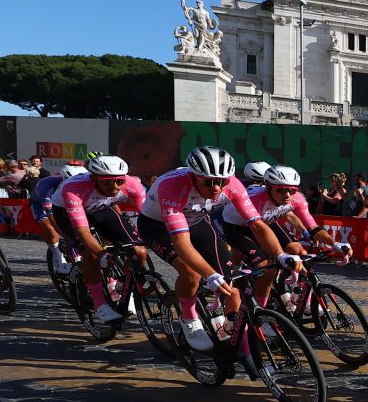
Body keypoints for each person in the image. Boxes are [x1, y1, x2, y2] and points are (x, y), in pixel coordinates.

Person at [137, 147, 300, 351]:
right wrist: (210, 274)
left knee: (231, 284)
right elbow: (182, 243)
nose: (216, 187)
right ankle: (189, 318)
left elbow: (258, 225)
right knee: (191, 274)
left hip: (197, 222)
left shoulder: (233, 185)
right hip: (157, 226)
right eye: (208, 181)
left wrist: (280, 255)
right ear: (193, 176)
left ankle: (231, 330)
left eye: (221, 181)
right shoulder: (171, 186)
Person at [220, 164, 351, 309]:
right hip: (238, 228)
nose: (287, 194)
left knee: (301, 252)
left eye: (292, 190)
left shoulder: (296, 198)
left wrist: (335, 244)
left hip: (266, 223)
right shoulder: (255, 199)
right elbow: (258, 229)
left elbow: (314, 228)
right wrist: (280, 255)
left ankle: (297, 294)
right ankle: (259, 312)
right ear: (268, 187)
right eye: (281, 190)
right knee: (268, 268)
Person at [51, 155, 148, 325]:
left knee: (139, 251)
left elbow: (148, 216)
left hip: (101, 207)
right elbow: (83, 231)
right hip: (66, 213)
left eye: (119, 181)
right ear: (94, 178)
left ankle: (122, 286)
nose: (115, 186)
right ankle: (100, 304)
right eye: (108, 182)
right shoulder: (73, 188)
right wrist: (102, 254)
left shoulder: (132, 184)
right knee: (92, 255)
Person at [30, 162, 88, 273]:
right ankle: (58, 258)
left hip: (62, 202)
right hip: (39, 204)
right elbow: (52, 217)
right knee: (51, 230)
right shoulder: (46, 187)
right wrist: (65, 235)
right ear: (63, 179)